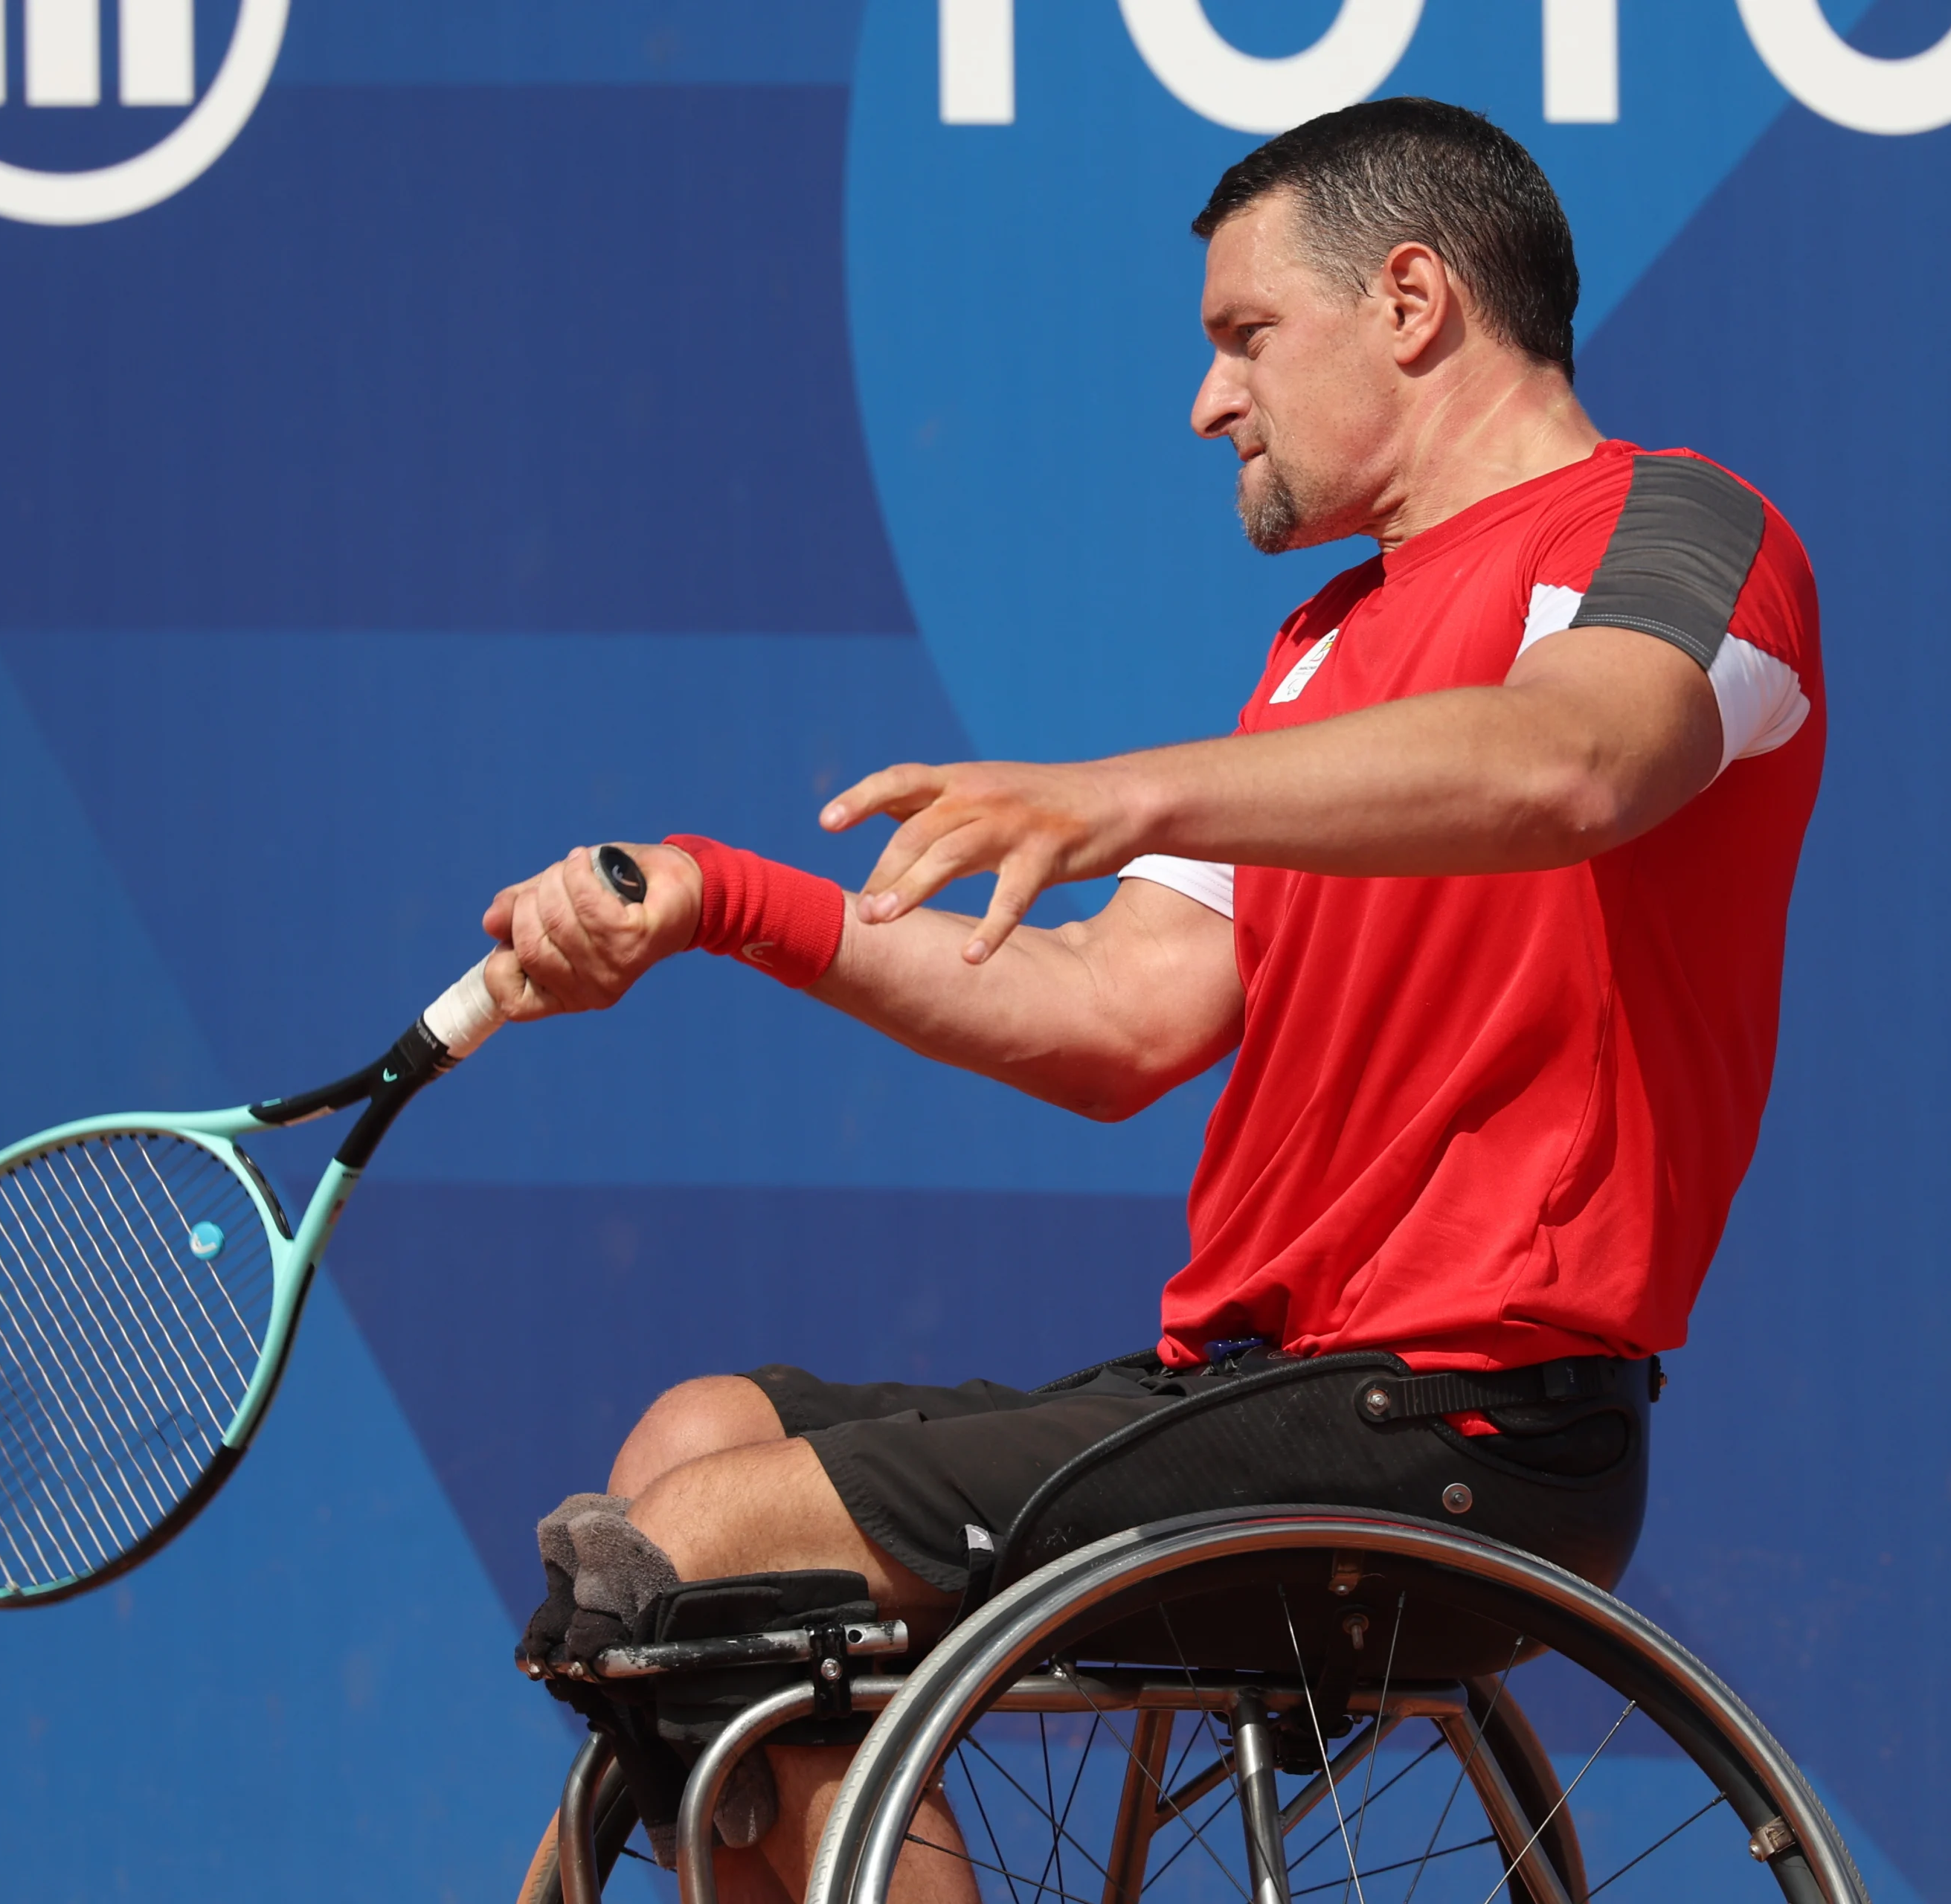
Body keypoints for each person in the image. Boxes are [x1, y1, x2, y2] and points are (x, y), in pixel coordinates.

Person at [493, 97, 1823, 1903]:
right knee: (693, 1442)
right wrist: (731, 902)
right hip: (1265, 1392)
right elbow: (1120, 1013)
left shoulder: (1679, 531)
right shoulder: (1320, 651)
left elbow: (1584, 759)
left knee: (706, 1541)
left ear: (1414, 301)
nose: (1213, 401)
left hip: (1467, 1417)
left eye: (1245, 337)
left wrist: (1130, 789)